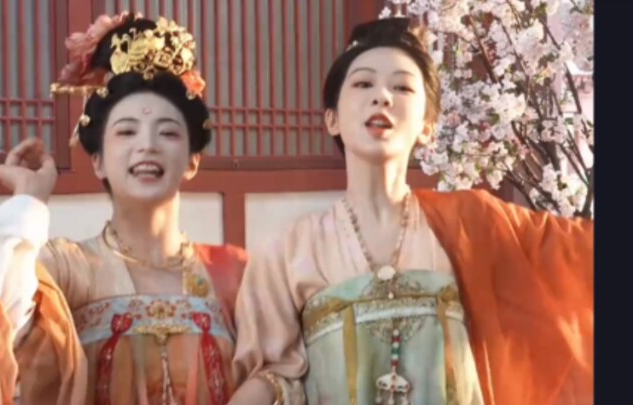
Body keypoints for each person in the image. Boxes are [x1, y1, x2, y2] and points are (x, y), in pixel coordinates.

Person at [229, 16, 593, 405]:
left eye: (402, 87)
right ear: (331, 118)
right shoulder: (288, 250)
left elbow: (576, 259)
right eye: (363, 84)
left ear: (428, 126)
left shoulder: (472, 227)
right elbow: (272, 378)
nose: (382, 97)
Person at [0, 12, 249, 405]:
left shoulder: (234, 274)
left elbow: (275, 373)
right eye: (126, 131)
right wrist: (28, 201)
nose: (147, 145)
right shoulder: (68, 268)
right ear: (98, 161)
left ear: (193, 160)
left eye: (168, 132)